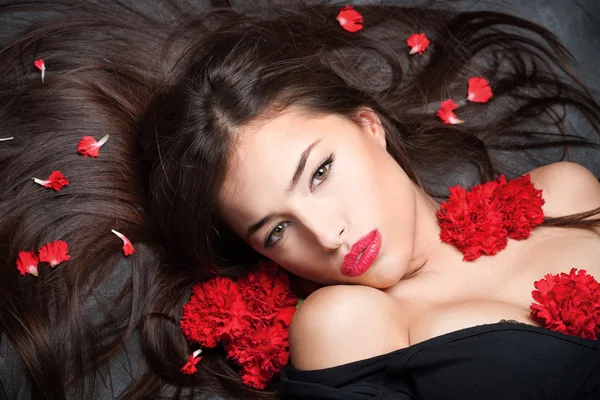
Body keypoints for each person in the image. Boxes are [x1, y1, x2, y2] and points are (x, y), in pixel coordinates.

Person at [0, 0, 599, 399]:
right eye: (275, 231)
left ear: (369, 126)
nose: (326, 234)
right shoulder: (346, 325)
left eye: (319, 173)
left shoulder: (562, 192)